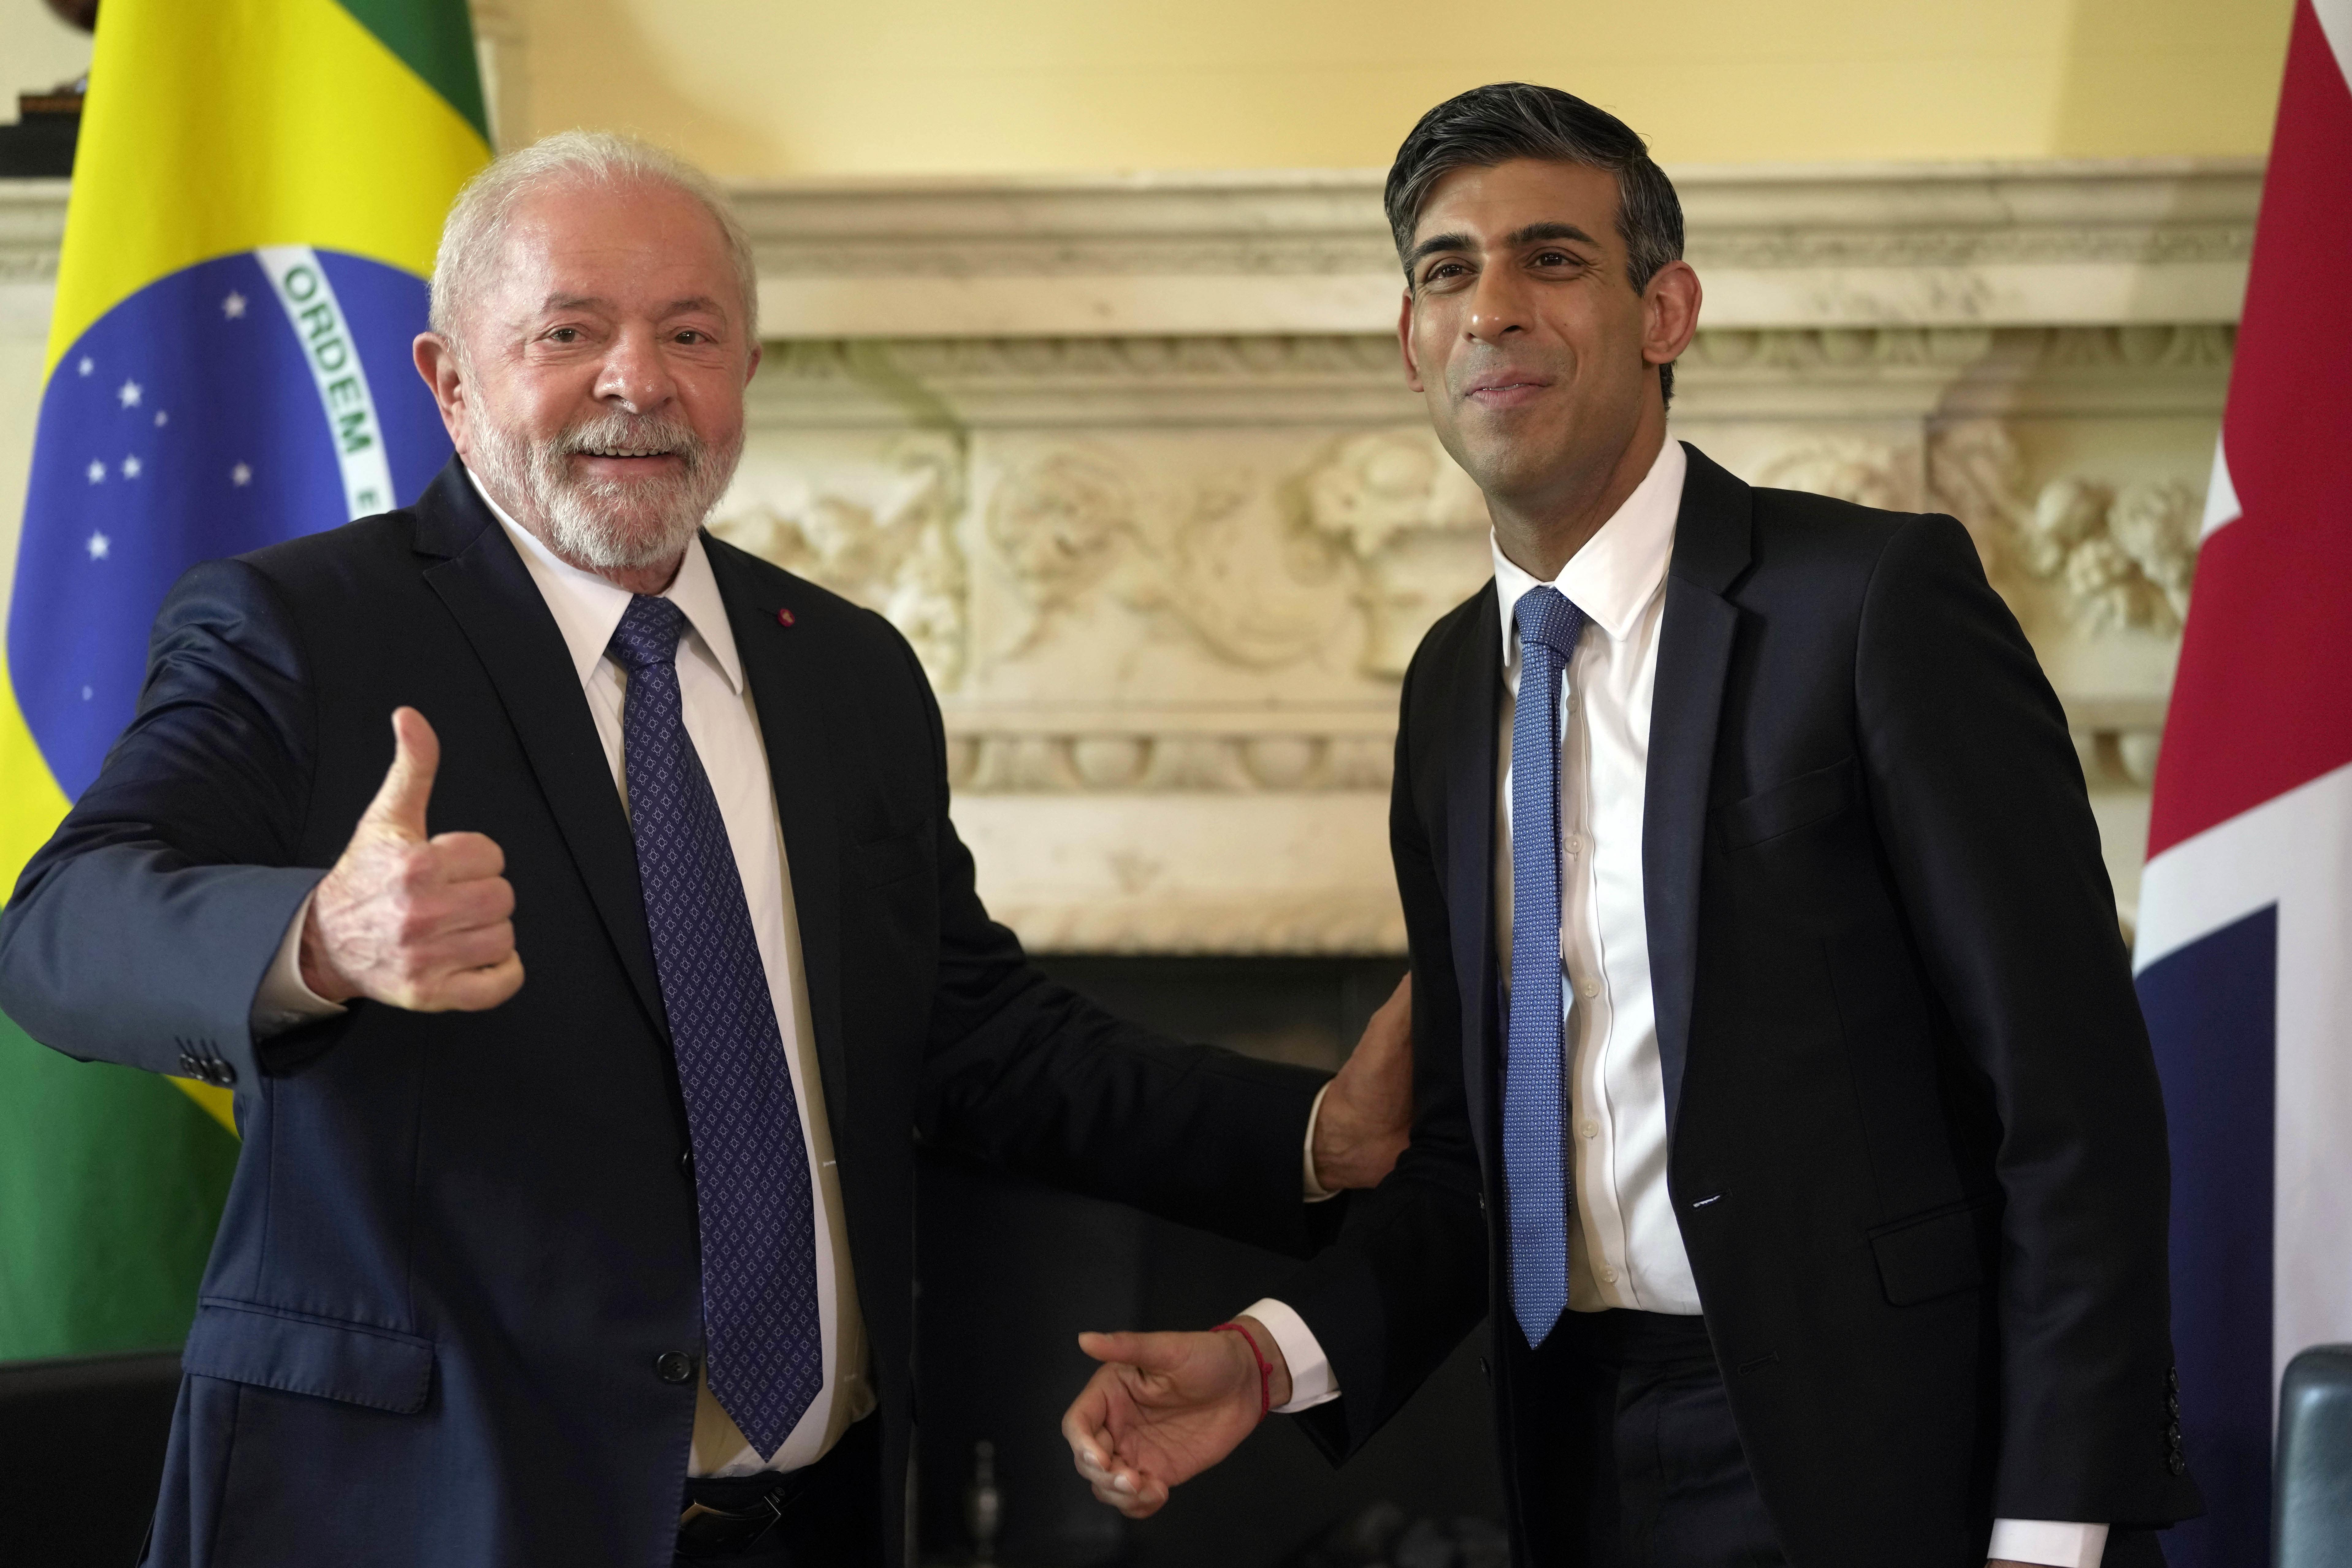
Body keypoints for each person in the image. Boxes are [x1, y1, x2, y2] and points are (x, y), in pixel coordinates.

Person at [0, 131, 1414, 1568]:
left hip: (808, 1518)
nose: (639, 380)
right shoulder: (300, 626)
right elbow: (60, 926)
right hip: (426, 1514)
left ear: (743, 370)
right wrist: (320, 938)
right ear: (449, 379)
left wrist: (1308, 1132)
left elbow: (975, 1033)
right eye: (570, 332)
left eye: (691, 333)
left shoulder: (846, 667)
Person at [1059, 84, 2201, 1568]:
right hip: (1579, 1454)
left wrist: (2054, 1527)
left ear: (1665, 309)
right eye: (1446, 270)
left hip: (1895, 1460)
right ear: (1412, 342)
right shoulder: (1452, 679)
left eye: (1551, 258)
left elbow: (2073, 1103)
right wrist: (1272, 1353)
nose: (1492, 308)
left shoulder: (1870, 605)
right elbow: (1481, 1159)